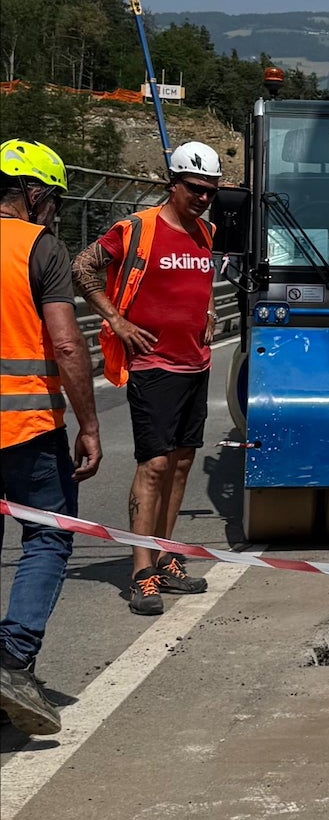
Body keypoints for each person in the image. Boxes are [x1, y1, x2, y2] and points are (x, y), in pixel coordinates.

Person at [74, 141, 221, 616]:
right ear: (173, 184)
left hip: (196, 363)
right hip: (153, 366)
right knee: (154, 466)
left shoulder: (206, 232)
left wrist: (209, 310)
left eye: (211, 191)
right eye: (195, 188)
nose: (203, 198)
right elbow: (82, 267)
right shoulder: (137, 229)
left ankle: (164, 556)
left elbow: (199, 283)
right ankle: (142, 572)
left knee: (181, 464)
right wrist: (116, 320)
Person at [0, 140, 103, 736]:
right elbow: (66, 343)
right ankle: (13, 660)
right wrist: (89, 424)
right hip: (26, 428)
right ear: (33, 192)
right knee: (47, 536)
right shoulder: (39, 247)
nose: (55, 211)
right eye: (54, 200)